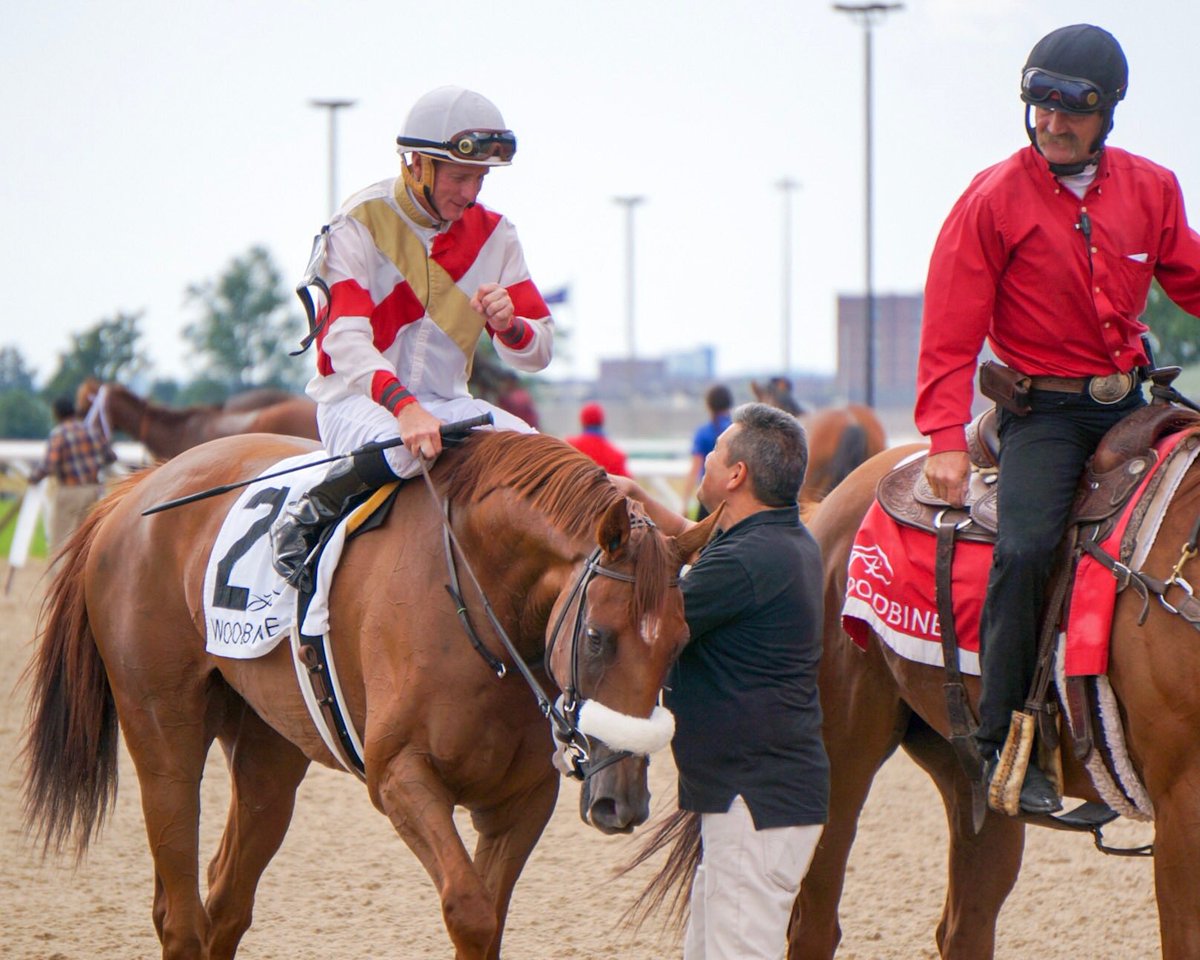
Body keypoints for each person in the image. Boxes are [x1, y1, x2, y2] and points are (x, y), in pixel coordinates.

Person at [915, 24, 1200, 815]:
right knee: (1027, 548)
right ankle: (1005, 738)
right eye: (1039, 106)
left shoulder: (1154, 188)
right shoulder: (991, 198)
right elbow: (949, 328)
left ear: (1108, 112)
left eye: (1070, 110)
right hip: (1042, 415)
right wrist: (943, 438)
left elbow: (1191, 278)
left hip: (1134, 405)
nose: (1051, 123)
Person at [271, 86, 554, 589]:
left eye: (480, 178)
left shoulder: (497, 235)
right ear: (416, 164)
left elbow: (539, 352)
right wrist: (404, 408)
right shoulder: (359, 221)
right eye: (460, 177)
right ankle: (310, 510)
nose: (470, 194)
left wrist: (509, 325)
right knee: (412, 448)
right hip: (355, 405)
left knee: (538, 457)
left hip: (448, 405)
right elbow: (345, 341)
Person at [614, 403, 827, 960]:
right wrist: (639, 498)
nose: (705, 460)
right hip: (759, 799)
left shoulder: (746, 561)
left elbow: (650, 624)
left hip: (752, 803)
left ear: (736, 475)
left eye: (713, 453)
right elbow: (697, 540)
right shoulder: (779, 541)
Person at [29, 395, 117, 551]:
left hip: (69, 491)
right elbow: (110, 456)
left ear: (57, 414)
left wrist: (34, 478)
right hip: (92, 491)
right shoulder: (91, 430)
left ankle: (63, 568)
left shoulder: (59, 433)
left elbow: (49, 464)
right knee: (85, 541)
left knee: (61, 542)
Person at [686, 384, 733, 521]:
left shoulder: (703, 433)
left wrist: (684, 502)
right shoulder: (736, 430)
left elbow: (695, 469)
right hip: (733, 497)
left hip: (708, 500)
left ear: (708, 405)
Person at [564, 401, 629, 476]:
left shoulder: (570, 447)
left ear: (582, 421)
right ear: (602, 421)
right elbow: (626, 481)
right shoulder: (616, 456)